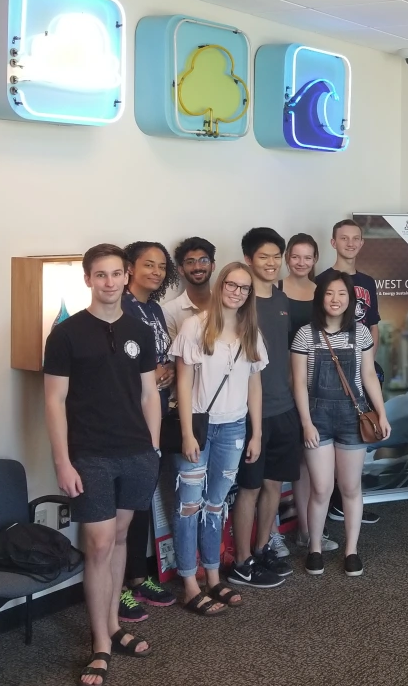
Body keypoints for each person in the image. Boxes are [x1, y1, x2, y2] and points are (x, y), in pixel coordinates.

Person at [43, 244, 161, 686]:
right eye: (100, 275)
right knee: (98, 544)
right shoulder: (66, 334)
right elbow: (53, 402)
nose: (109, 282)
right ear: (87, 279)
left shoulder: (139, 329)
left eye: (116, 274)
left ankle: (113, 625)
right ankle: (99, 644)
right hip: (89, 455)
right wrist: (62, 461)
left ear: (125, 276)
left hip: (136, 453)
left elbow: (150, 394)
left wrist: (151, 448)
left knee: (121, 538)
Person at [169, 262, 265, 616]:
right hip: (199, 427)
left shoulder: (250, 331)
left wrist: (256, 432)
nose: (237, 292)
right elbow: (182, 382)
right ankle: (189, 582)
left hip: (234, 428)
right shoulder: (196, 326)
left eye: (244, 288)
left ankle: (212, 574)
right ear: (220, 284)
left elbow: (255, 384)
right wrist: (185, 433)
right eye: (232, 284)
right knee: (188, 506)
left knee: (216, 505)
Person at [293, 269, 391, 578]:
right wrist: (306, 422)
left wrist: (382, 412)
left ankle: (351, 550)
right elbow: (297, 383)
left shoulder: (360, 334)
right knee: (321, 489)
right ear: (320, 297)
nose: (335, 300)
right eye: (329, 293)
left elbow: (368, 377)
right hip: (317, 417)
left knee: (350, 487)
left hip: (353, 416)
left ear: (350, 300)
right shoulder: (304, 334)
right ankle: (315, 549)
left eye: (342, 295)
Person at [228, 229, 301, 589]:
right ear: (248, 259)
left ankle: (260, 550)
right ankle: (241, 562)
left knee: (274, 484)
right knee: (250, 488)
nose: (271, 263)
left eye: (276, 256)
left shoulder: (282, 299)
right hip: (248, 413)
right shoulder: (240, 302)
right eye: (263, 257)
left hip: (283, 407)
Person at [118, 242, 177, 622]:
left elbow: (159, 356)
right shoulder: (119, 307)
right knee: (122, 506)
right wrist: (149, 375)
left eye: (160, 266)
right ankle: (120, 586)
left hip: (156, 413)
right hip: (128, 420)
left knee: (142, 499)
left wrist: (166, 370)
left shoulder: (154, 308)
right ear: (129, 268)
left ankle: (139, 576)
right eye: (147, 265)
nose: (155, 272)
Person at [282, 234, 338, 554]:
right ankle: (291, 530)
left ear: (315, 258)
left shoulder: (323, 293)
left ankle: (308, 529)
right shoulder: (275, 291)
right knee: (289, 460)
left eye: (308, 257)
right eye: (296, 256)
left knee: (309, 458)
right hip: (282, 386)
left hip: (319, 387)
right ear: (288, 257)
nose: (301, 262)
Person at [329, 219, 382, 525]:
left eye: (356, 239)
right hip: (332, 374)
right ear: (333, 242)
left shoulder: (368, 282)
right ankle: (335, 503)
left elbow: (373, 324)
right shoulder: (323, 279)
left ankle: (349, 501)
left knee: (359, 434)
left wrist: (367, 362)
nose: (350, 243)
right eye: (343, 238)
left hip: (362, 370)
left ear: (361, 243)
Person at [163, 237, 215, 342]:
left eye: (203, 260)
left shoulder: (226, 304)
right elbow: (172, 356)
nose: (197, 267)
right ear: (181, 270)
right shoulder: (169, 311)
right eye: (190, 262)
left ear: (213, 266)